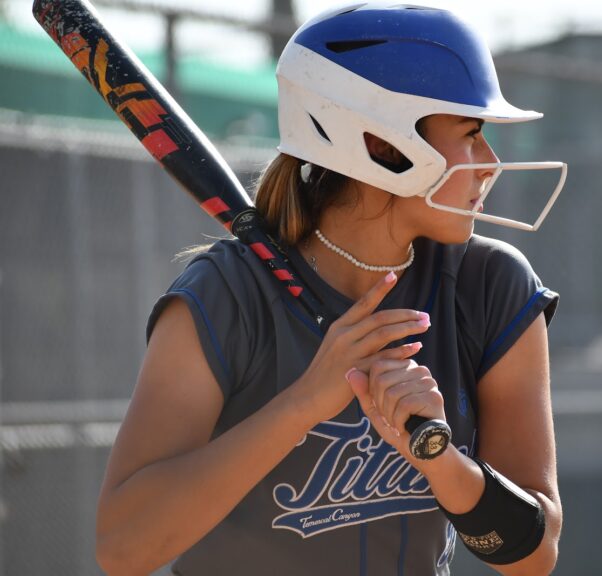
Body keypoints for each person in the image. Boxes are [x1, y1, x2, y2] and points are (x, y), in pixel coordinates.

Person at [95, 3, 565, 575]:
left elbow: (535, 556)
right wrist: (303, 404)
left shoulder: (489, 285)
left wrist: (437, 456)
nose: (489, 163)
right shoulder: (225, 296)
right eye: (471, 134)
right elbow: (123, 548)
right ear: (383, 144)